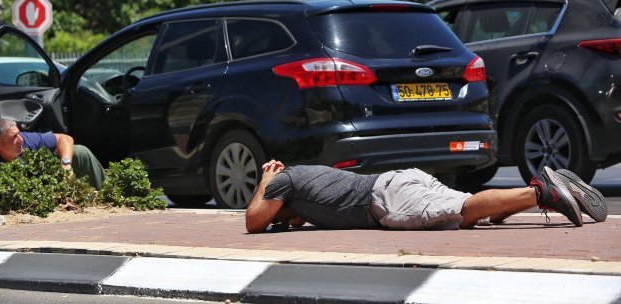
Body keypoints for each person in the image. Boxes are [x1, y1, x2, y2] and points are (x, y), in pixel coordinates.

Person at [245, 160, 607, 233]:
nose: (283, 221)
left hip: (386, 198)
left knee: (462, 212)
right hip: (400, 179)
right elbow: (292, 217)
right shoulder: (309, 181)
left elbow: (253, 222)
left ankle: (542, 192)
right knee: (468, 209)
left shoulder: (281, 181)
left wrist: (263, 180)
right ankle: (517, 202)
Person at [0, 118, 106, 190]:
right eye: (14, 137)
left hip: (49, 185)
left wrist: (66, 164)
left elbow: (65, 138)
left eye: (19, 133)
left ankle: (103, 191)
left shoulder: (26, 140)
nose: (20, 139)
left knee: (80, 152)